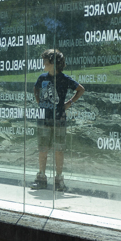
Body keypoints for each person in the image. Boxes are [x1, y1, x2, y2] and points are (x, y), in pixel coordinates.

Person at [32, 49, 84, 192]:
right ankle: (41, 177)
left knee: (59, 150)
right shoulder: (42, 78)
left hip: (59, 118)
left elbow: (80, 89)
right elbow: (35, 89)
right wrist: (39, 101)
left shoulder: (64, 79)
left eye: (45, 61)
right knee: (43, 149)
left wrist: (69, 103)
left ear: (53, 63)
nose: (43, 63)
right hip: (44, 118)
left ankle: (59, 179)